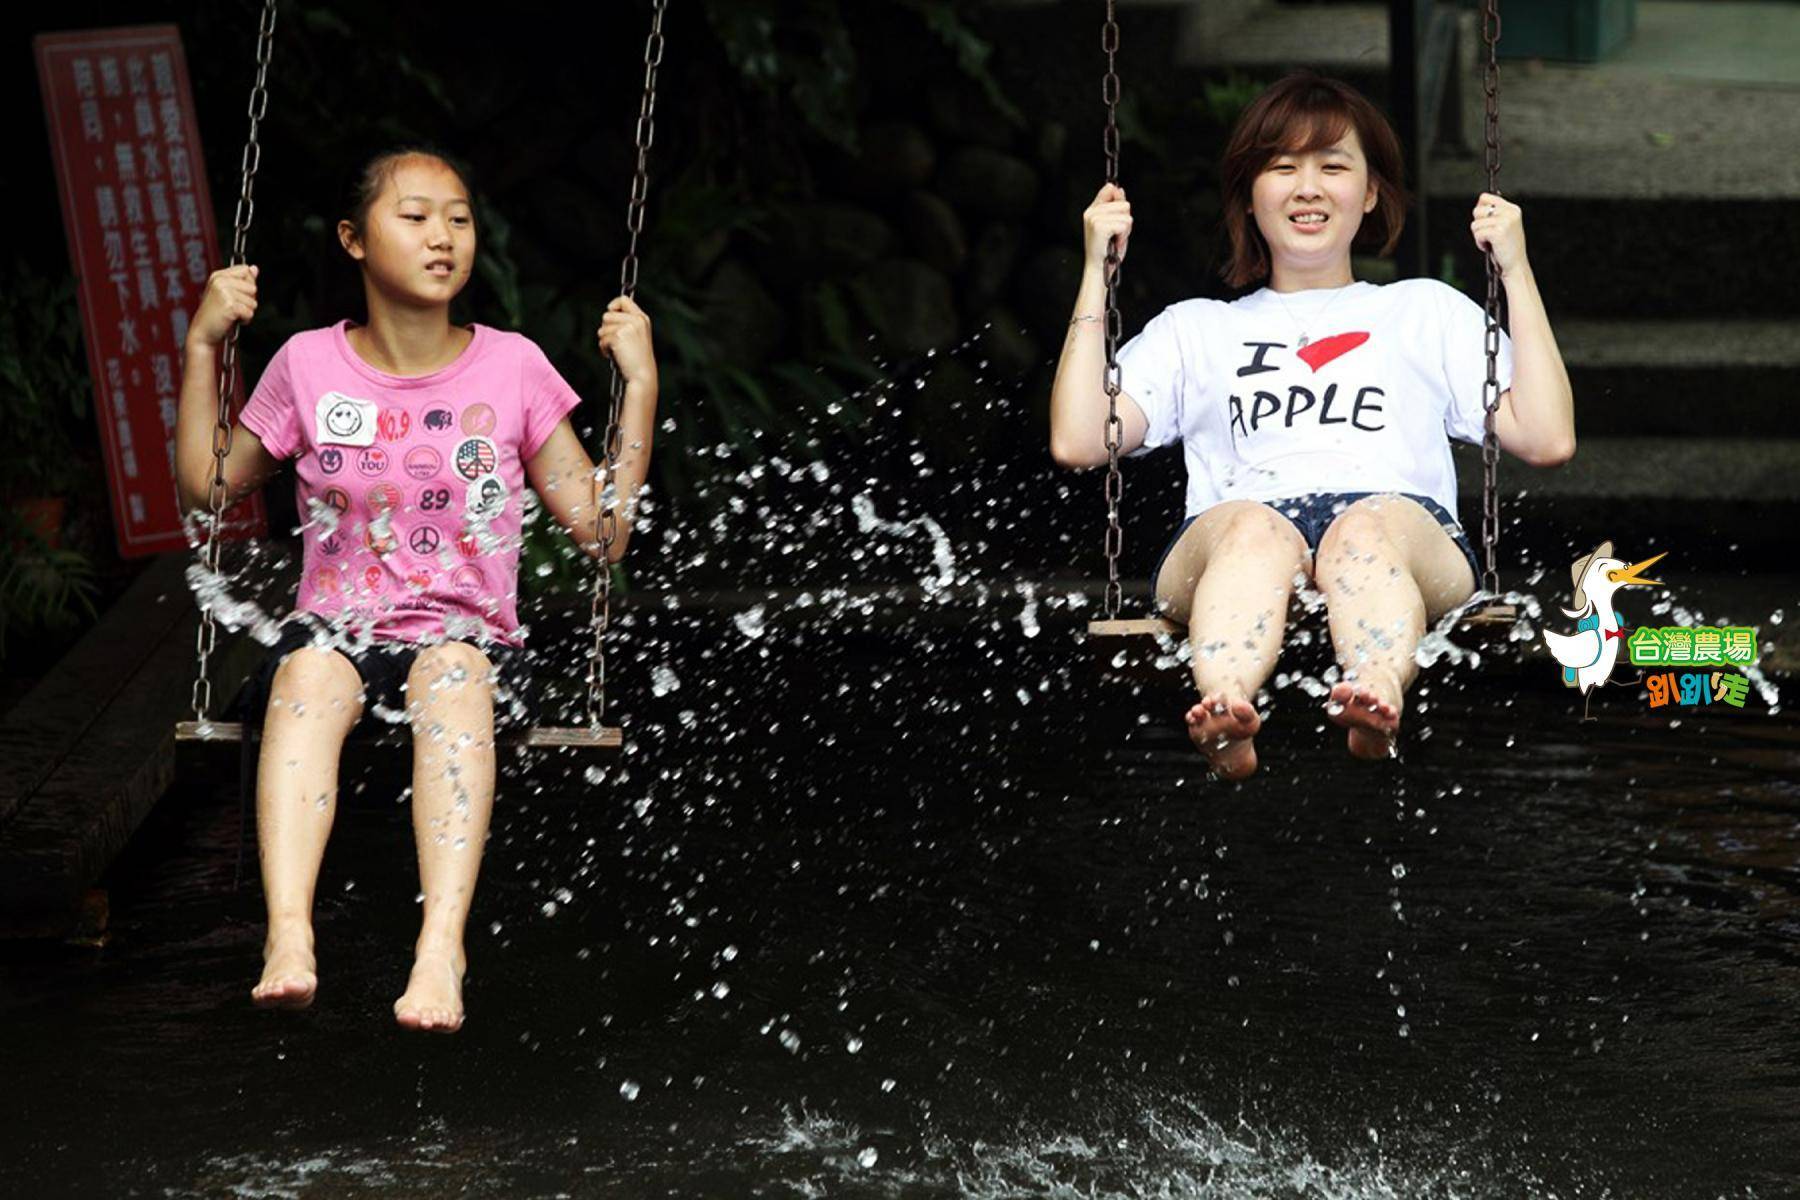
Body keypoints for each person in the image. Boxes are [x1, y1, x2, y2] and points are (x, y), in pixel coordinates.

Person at [174, 148, 658, 1031]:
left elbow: (604, 531)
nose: (444, 237)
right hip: (340, 634)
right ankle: (289, 935)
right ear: (355, 240)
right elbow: (209, 490)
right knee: (309, 673)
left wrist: (642, 383)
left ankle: (441, 949)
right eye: (417, 216)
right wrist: (207, 342)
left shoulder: (511, 367)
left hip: (471, 644)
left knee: (450, 673)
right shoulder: (307, 365)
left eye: (460, 218)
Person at [1048, 71, 1574, 780]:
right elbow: (1080, 440)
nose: (1308, 187)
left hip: (1400, 532)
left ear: (1371, 193)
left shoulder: (1426, 311)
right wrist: (1095, 273)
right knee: (1256, 528)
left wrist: (1515, 267)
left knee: (1364, 524)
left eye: (1333, 166)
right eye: (1282, 167)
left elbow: (1546, 437)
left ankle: (1377, 691)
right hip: (1238, 534)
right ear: (1249, 195)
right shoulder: (1196, 329)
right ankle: (1227, 710)